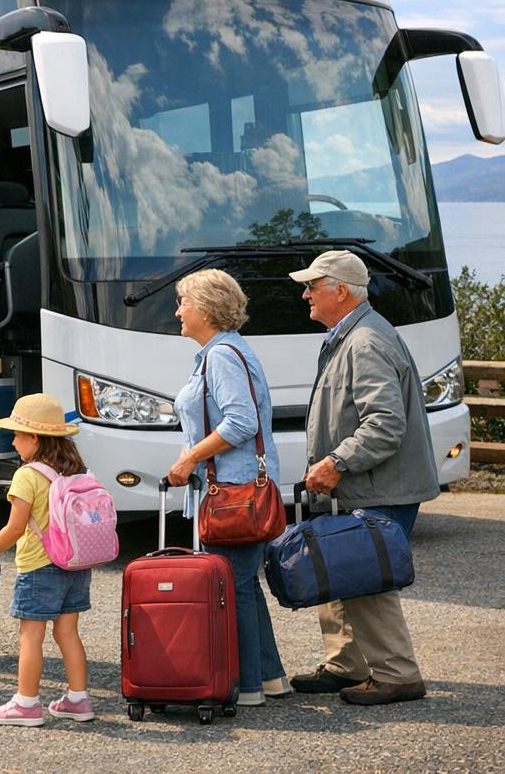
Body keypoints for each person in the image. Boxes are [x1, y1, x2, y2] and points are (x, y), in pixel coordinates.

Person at [288, 249, 439, 706]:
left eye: (313, 285)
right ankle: (345, 665)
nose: (305, 293)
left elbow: (385, 424)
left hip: (377, 488)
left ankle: (397, 675)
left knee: (368, 579)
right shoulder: (352, 335)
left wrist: (337, 462)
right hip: (364, 486)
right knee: (343, 570)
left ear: (340, 290)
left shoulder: (365, 341)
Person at [165, 269, 288, 706]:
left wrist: (191, 456)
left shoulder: (221, 356)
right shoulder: (220, 352)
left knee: (232, 586)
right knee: (242, 584)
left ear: (207, 308)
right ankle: (269, 677)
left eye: (184, 302)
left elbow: (240, 422)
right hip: (234, 487)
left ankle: (248, 686)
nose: (178, 310)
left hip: (232, 492)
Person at [0, 394, 94, 726]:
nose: (13, 441)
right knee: (68, 634)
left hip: (39, 567)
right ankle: (79, 700)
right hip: (76, 564)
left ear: (34, 438)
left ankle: (26, 704)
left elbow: (15, 528)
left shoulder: (27, 475)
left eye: (17, 435)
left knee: (30, 636)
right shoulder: (76, 469)